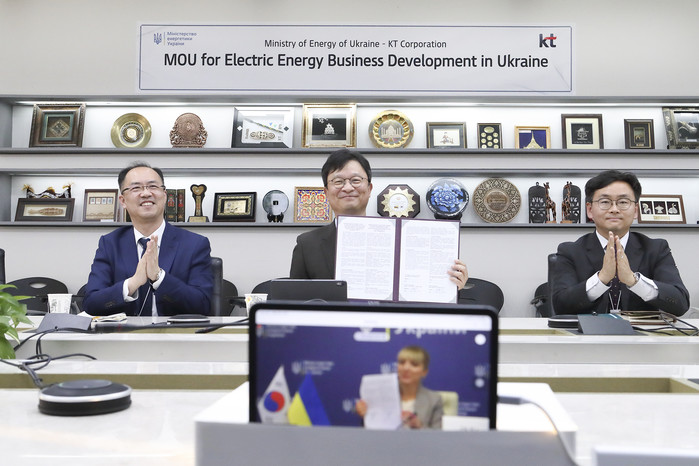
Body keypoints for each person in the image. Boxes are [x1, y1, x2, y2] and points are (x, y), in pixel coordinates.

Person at [289, 148, 468, 290]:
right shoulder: (307, 245)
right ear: (326, 192)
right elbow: (295, 301)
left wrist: (450, 286)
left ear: (369, 188)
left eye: (355, 180)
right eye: (338, 182)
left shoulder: (403, 238)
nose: (348, 187)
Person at [551, 170, 688, 316]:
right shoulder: (570, 251)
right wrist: (601, 279)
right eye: (605, 202)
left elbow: (681, 303)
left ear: (635, 211)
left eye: (623, 202)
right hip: (589, 330)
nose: (614, 209)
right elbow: (560, 306)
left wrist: (634, 281)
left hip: (640, 331)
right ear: (590, 210)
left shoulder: (656, 249)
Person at [84, 162, 213, 316]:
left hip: (174, 330)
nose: (146, 193)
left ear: (165, 195)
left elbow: (203, 305)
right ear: (123, 201)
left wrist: (159, 278)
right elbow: (91, 303)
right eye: (136, 188)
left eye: (152, 186)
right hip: (124, 331)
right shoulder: (110, 244)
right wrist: (132, 283)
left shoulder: (194, 244)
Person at [356, 346, 443, 429]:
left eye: (414, 364)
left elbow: (438, 435)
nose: (406, 368)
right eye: (402, 363)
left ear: (424, 372)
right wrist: (365, 416)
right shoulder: (381, 396)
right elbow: (369, 430)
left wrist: (419, 426)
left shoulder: (434, 400)